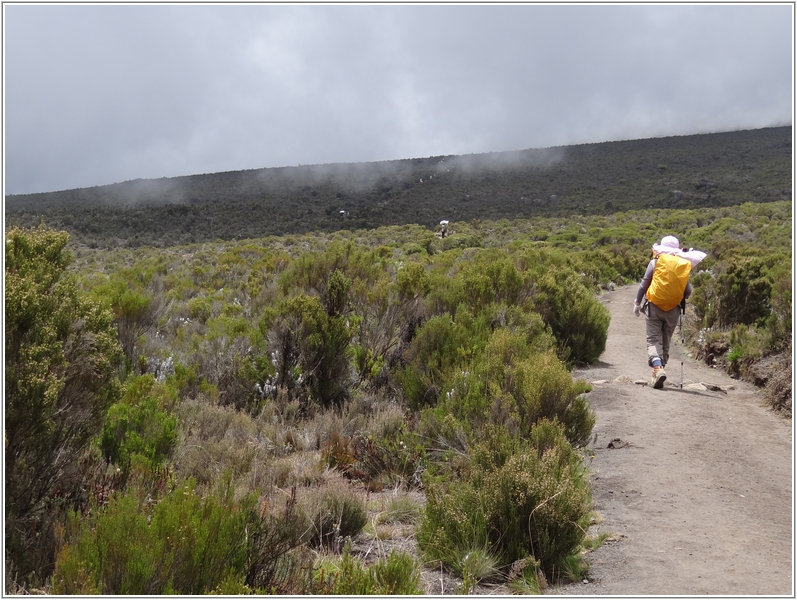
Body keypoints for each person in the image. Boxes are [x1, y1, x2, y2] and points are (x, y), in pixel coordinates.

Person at [633, 235, 706, 389]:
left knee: (653, 340)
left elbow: (643, 284)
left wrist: (637, 303)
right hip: (673, 309)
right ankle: (661, 369)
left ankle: (658, 369)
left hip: (654, 306)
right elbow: (688, 291)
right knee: (666, 340)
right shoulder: (682, 265)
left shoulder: (655, 262)